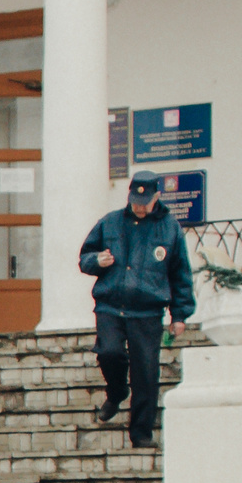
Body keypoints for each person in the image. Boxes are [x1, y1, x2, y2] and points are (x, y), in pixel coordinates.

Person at [78, 171, 196, 450]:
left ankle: (141, 432)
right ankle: (117, 390)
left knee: (145, 373)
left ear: (157, 196)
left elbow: (181, 274)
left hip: (147, 311)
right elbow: (84, 258)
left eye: (145, 200)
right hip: (110, 305)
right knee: (109, 352)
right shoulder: (109, 222)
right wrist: (98, 261)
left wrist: (179, 315)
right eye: (135, 200)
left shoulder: (170, 228)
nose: (139, 206)